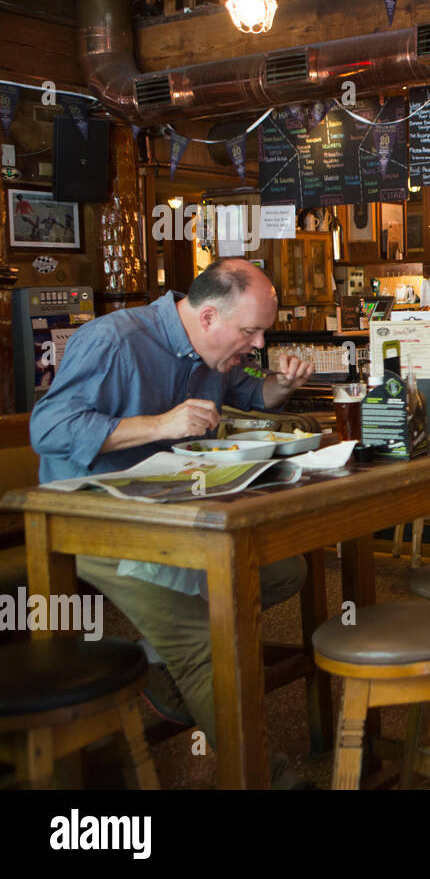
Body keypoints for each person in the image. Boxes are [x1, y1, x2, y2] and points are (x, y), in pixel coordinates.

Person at [29, 258, 315, 786]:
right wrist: (158, 424)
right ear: (208, 317)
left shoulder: (212, 353)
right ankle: (266, 779)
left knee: (283, 572)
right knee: (204, 641)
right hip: (90, 515)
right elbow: (47, 427)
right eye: (250, 331)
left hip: (168, 510)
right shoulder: (115, 340)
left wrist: (280, 384)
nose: (256, 343)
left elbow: (253, 395)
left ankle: (155, 661)